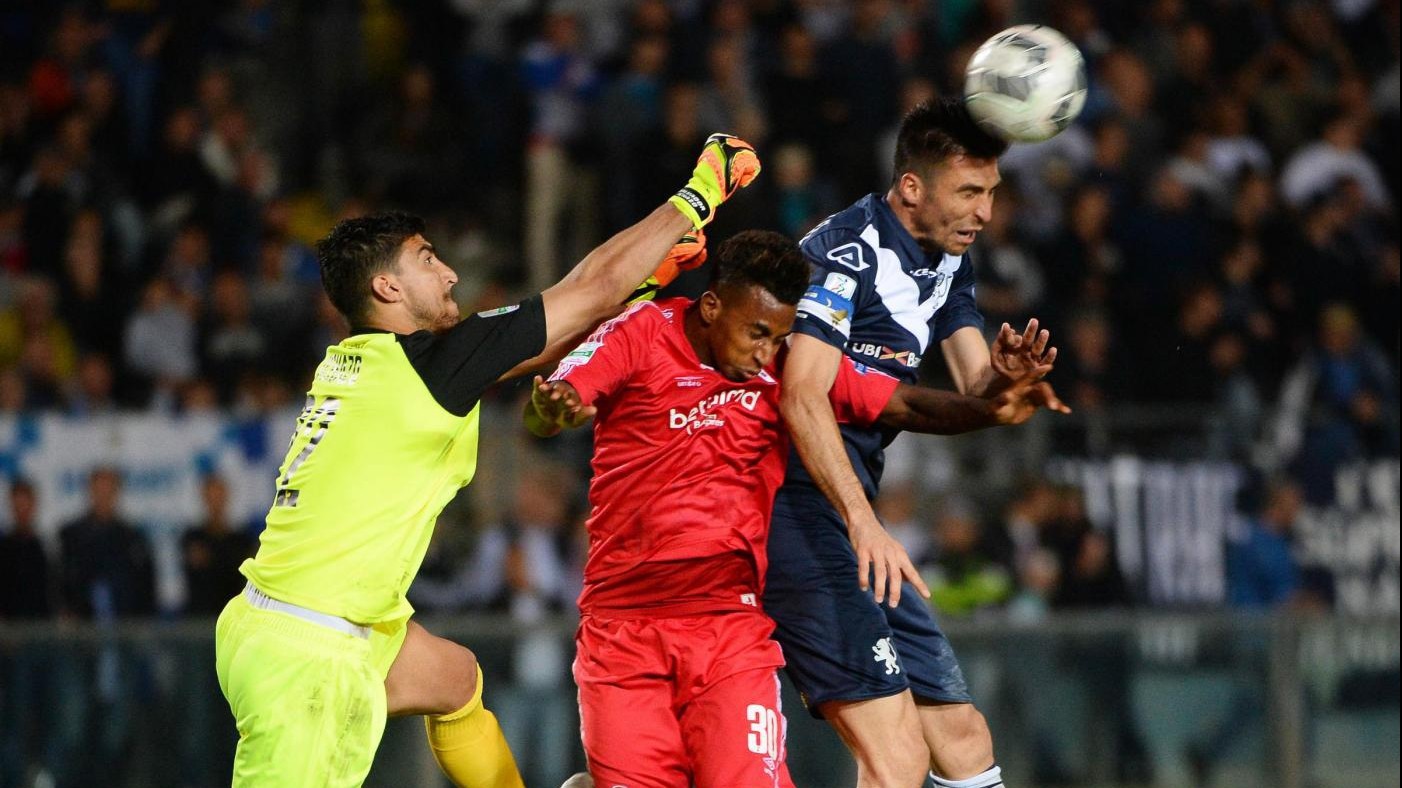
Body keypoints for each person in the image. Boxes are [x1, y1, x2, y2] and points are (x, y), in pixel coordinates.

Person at [213, 133, 762, 788]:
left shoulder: (366, 363)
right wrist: (700, 192)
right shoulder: (424, 369)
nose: (448, 273)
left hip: (291, 617)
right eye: (428, 260)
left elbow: (542, 335)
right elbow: (588, 288)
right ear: (387, 286)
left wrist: (642, 286)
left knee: (454, 680)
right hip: (308, 653)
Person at [527, 230, 1064, 788]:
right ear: (712, 306)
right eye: (757, 332)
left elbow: (899, 402)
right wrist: (554, 410)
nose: (766, 352)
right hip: (622, 626)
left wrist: (991, 410)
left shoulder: (786, 365)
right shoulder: (639, 332)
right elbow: (554, 402)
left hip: (728, 624)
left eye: (779, 335)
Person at [767, 97, 1063, 787]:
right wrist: (864, 521)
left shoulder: (949, 260)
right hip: (791, 511)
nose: (985, 212)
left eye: (990, 192)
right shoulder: (843, 255)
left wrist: (1007, 384)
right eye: (968, 192)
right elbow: (801, 392)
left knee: (961, 738)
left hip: (852, 522)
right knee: (895, 755)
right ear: (910, 188)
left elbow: (973, 386)